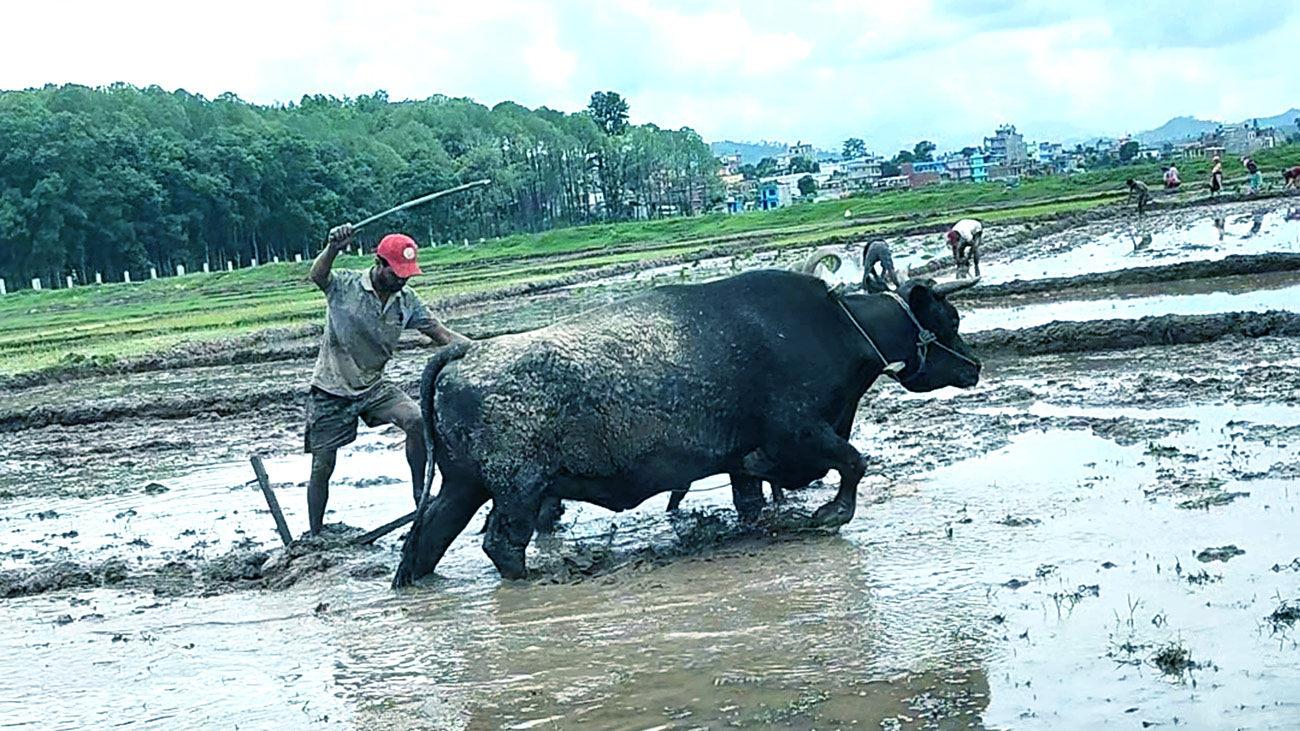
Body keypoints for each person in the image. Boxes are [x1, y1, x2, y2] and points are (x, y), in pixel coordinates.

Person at [304, 224, 468, 536]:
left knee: (417, 420)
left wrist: (483, 350)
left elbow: (441, 335)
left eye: (407, 274)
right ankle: (315, 533)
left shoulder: (406, 300)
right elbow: (318, 276)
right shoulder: (346, 285)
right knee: (322, 465)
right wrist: (333, 247)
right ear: (379, 263)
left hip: (374, 387)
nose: (402, 280)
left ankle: (420, 496)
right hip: (332, 388)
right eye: (396, 273)